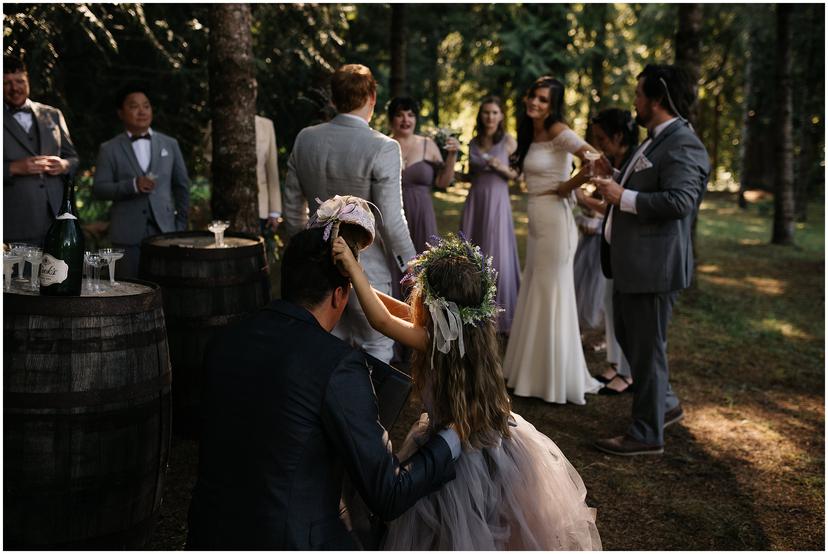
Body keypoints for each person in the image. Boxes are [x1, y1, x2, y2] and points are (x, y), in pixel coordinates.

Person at [186, 224, 460, 550]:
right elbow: (389, 493)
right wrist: (453, 436)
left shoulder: (223, 342)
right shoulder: (338, 366)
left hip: (208, 535)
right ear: (340, 294)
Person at [332, 233, 602, 550]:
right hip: (492, 443)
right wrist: (358, 285)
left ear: (435, 305)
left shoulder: (436, 341)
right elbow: (394, 312)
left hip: (458, 456)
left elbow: (381, 321)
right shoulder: (464, 332)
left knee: (459, 532)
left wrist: (353, 269)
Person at [592, 64, 710, 456]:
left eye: (640, 94)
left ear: (657, 99)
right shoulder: (655, 139)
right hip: (633, 264)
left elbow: (680, 201)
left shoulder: (682, 143)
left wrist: (619, 196)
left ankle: (646, 433)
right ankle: (664, 404)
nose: (635, 102)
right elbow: (640, 181)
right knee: (633, 341)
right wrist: (613, 176)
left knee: (647, 348)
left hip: (653, 267)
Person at [283, 64, 416, 364]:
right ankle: (369, 411)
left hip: (318, 270)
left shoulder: (305, 138)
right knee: (376, 350)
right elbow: (391, 221)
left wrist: (307, 251)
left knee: (323, 352)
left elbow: (292, 209)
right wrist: (413, 268)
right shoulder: (382, 147)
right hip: (367, 273)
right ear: (372, 97)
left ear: (333, 99)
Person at [502, 76, 603, 404]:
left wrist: (568, 186)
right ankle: (527, 373)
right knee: (534, 287)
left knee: (551, 291)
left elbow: (596, 161)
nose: (535, 103)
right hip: (537, 217)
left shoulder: (560, 130)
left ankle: (553, 380)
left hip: (556, 220)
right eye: (533, 96)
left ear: (553, 105)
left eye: (543, 100)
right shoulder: (532, 131)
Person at [93, 83, 190, 278]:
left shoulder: (170, 144)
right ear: (121, 113)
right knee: (130, 290)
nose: (142, 111)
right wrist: (132, 185)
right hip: (126, 234)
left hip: (165, 231)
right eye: (134, 106)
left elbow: (182, 186)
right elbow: (99, 189)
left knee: (167, 286)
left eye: (146, 106)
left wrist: (180, 225)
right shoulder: (109, 148)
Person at [575, 108, 639, 395]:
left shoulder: (634, 161)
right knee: (612, 308)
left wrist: (583, 198)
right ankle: (615, 363)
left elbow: (615, 203)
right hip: (610, 246)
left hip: (628, 247)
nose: (599, 143)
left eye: (603, 138)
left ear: (618, 135)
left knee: (625, 314)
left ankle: (627, 372)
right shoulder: (616, 161)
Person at [458, 96, 521, 335]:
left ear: (501, 116)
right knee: (474, 252)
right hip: (477, 199)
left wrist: (500, 167)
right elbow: (470, 173)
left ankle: (499, 315)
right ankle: (472, 309)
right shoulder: (473, 142)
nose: (490, 117)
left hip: (497, 200)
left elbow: (517, 174)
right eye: (486, 112)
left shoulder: (508, 142)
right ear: (480, 115)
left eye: (495, 112)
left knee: (497, 252)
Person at [3, 55, 79, 246]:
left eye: (20, 81)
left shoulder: (52, 114)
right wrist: (12, 168)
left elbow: (73, 158)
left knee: (60, 274)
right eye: (6, 83)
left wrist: (63, 165)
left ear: (27, 80)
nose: (15, 88)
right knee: (21, 276)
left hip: (58, 218)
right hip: (14, 222)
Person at [387, 96, 458, 254]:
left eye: (411, 115)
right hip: (391, 213)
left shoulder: (428, 144)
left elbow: (442, 183)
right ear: (391, 119)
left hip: (422, 213)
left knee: (423, 264)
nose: (406, 120)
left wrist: (452, 155)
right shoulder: (383, 145)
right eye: (400, 115)